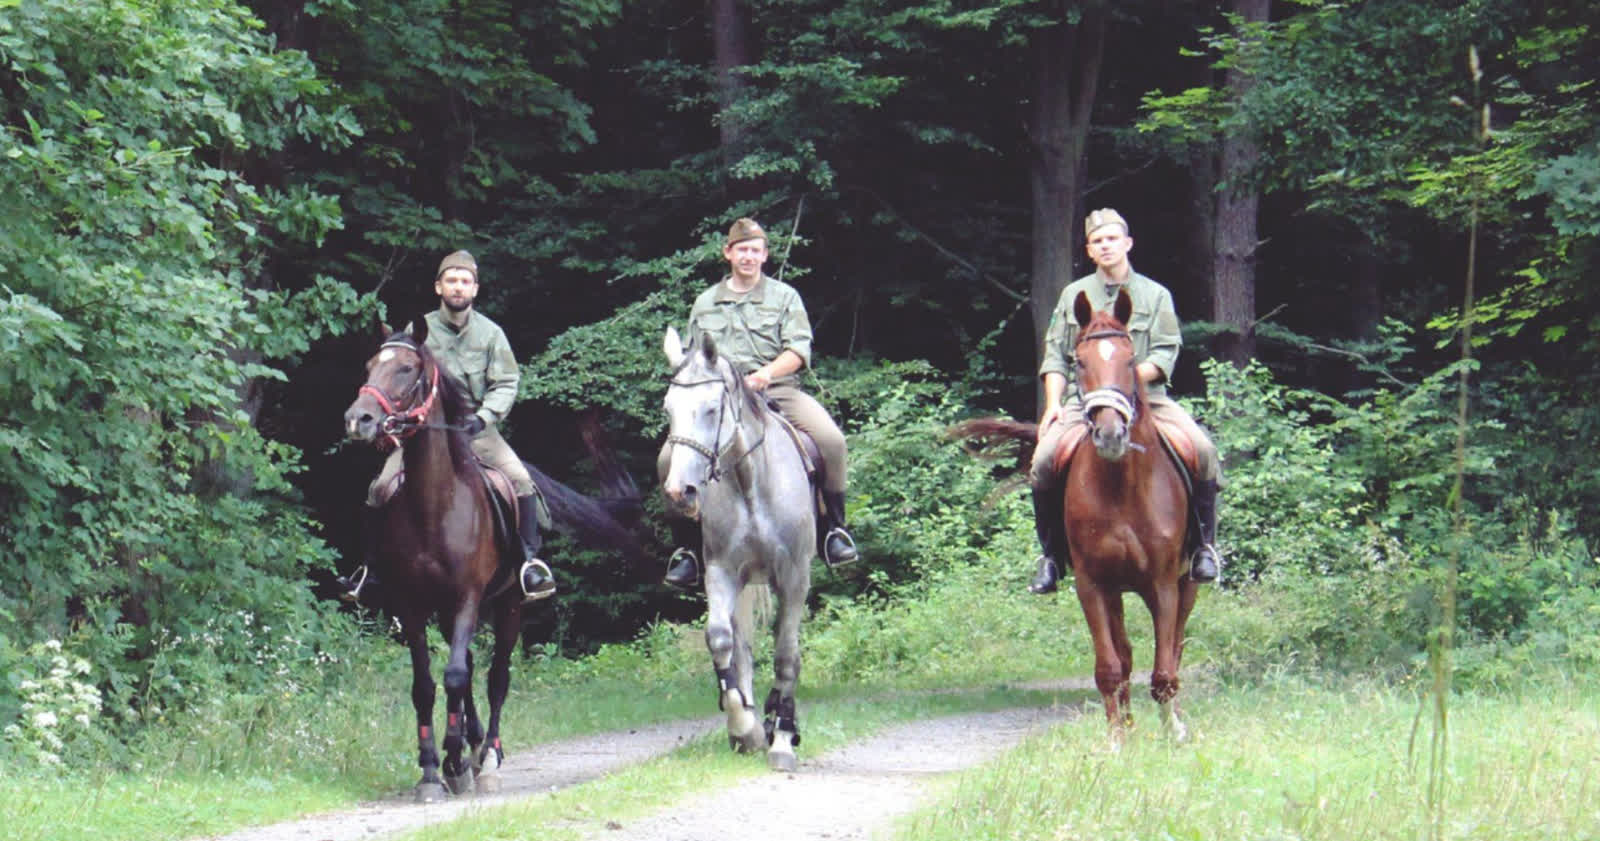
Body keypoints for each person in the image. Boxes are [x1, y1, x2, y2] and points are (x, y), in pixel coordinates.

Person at [340, 249, 556, 604]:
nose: (459, 287)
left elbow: (506, 383)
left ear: (475, 289)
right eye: (452, 281)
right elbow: (397, 379)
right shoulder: (418, 331)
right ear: (438, 287)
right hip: (422, 434)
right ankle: (370, 571)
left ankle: (529, 565)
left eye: (465, 281)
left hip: (478, 430)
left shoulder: (491, 335)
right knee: (379, 487)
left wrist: (484, 418)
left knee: (519, 479)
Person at [1027, 208, 1223, 594]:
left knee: (1203, 450)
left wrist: (1120, 381)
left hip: (1147, 397)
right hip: (1085, 402)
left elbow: (1166, 352)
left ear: (1127, 243)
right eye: (1098, 241)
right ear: (1090, 250)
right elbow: (1054, 356)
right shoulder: (1073, 296)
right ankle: (1051, 557)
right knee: (1043, 462)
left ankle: (1204, 548)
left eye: (1112, 239)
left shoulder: (1155, 294)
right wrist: (1052, 405)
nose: (1106, 245)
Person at [657, 217, 859, 589]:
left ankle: (834, 530)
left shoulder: (785, 297)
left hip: (776, 390)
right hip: (721, 399)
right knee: (667, 460)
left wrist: (764, 375)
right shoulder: (705, 303)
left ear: (764, 255)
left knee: (832, 442)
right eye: (741, 250)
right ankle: (686, 550)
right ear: (728, 253)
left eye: (755, 250)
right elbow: (693, 357)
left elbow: (798, 349)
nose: (748, 256)